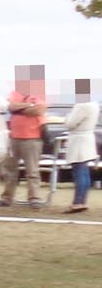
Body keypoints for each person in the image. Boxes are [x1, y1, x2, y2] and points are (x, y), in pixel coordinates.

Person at [0, 83, 48, 208]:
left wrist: (19, 109)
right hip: (14, 137)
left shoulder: (40, 94)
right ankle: (7, 197)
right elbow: (10, 107)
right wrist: (28, 106)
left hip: (32, 138)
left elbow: (39, 110)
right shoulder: (14, 93)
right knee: (10, 170)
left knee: (32, 171)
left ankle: (34, 198)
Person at [64, 81, 97, 214]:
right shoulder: (94, 104)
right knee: (84, 172)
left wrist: (66, 118)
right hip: (87, 138)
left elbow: (71, 124)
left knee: (79, 172)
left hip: (79, 140)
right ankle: (82, 200)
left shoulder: (82, 105)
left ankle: (78, 202)